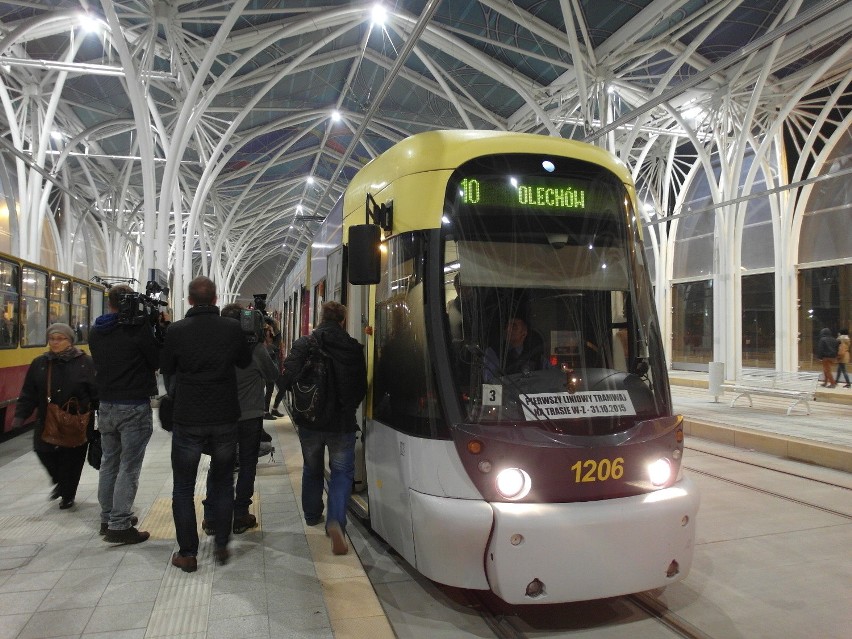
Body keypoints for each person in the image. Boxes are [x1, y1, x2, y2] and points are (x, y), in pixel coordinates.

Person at [160, 276, 252, 573]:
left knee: (183, 487)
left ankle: (187, 553)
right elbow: (244, 360)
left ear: (189, 301)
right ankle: (222, 544)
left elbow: (167, 369)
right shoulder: (232, 328)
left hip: (188, 417)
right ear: (214, 300)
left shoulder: (176, 330)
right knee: (224, 482)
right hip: (224, 416)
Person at [280, 301, 367, 555]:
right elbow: (361, 387)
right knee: (341, 474)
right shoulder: (352, 348)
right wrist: (347, 407)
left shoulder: (305, 343)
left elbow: (289, 374)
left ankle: (311, 514)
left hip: (311, 421)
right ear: (342, 320)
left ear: (321, 317)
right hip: (341, 424)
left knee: (312, 467)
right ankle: (336, 522)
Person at [88, 284, 163, 544]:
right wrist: (153, 327)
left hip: (106, 405)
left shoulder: (96, 330)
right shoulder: (136, 329)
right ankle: (119, 524)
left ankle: (107, 518)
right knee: (129, 467)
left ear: (110, 304)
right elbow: (156, 360)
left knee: (110, 463)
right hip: (132, 405)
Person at [202, 303, 279, 536]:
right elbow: (274, 376)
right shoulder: (254, 349)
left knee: (218, 464)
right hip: (249, 417)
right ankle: (240, 515)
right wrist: (267, 345)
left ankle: (212, 517)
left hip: (221, 416)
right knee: (247, 464)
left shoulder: (211, 346)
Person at [13, 323, 97, 509]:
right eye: (52, 339)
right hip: (47, 418)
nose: (55, 342)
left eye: (60, 339)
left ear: (70, 341)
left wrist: (100, 417)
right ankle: (60, 481)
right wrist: (21, 415)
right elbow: (29, 392)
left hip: (77, 420)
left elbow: (95, 391)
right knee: (42, 450)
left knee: (72, 459)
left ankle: (67, 494)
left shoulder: (85, 362)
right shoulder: (40, 363)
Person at [484, 316, 545, 381]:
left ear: (524, 333)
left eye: (514, 327)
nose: (508, 330)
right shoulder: (493, 352)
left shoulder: (535, 354)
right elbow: (490, 380)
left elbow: (551, 375)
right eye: (507, 326)